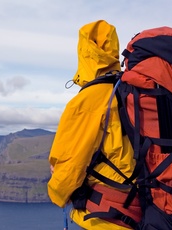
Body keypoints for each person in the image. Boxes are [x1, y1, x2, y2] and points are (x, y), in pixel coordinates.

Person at [47, 20, 142, 230]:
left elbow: (69, 167)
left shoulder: (87, 100)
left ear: (82, 52)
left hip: (105, 217)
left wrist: (57, 192)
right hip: (144, 208)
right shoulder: (133, 91)